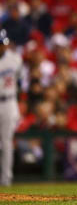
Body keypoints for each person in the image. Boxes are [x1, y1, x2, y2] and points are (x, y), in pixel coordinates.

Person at [0, 29, 22, 186]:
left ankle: (6, 179)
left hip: (9, 102)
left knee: (6, 143)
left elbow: (20, 80)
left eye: (5, 44)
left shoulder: (14, 59)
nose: (4, 47)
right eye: (1, 44)